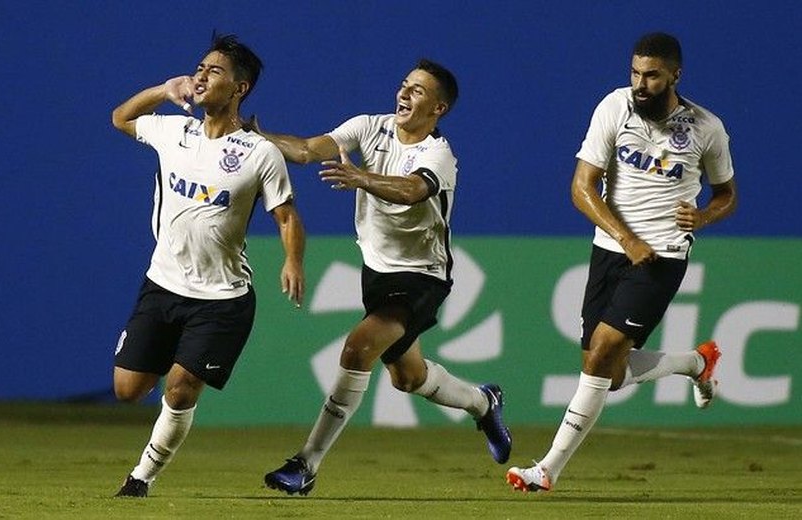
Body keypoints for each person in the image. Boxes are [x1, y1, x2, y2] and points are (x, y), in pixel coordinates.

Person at [250, 59, 512, 496]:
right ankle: (484, 402)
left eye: (418, 91)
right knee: (408, 378)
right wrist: (259, 137)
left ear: (439, 107)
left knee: (358, 347)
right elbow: (305, 150)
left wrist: (360, 177)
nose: (405, 94)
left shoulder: (438, 155)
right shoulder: (370, 127)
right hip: (376, 272)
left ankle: (306, 464)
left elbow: (411, 191)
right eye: (404, 86)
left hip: (422, 277)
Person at [506, 32, 737, 493]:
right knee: (605, 372)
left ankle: (547, 469)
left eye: (651, 75)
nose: (641, 83)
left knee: (606, 349)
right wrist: (625, 238)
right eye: (635, 73)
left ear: (675, 74)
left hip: (663, 254)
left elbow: (727, 194)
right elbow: (581, 187)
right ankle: (695, 362)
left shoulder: (707, 128)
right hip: (612, 249)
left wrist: (706, 215)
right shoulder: (614, 107)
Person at [110, 33, 305, 498]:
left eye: (213, 71)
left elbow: (287, 215)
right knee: (127, 389)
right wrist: (164, 88)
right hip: (162, 285)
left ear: (240, 88)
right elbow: (121, 118)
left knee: (180, 389)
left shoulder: (260, 154)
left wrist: (292, 260)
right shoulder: (173, 131)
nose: (201, 76)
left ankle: (141, 478)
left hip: (222, 299)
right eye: (199, 68)